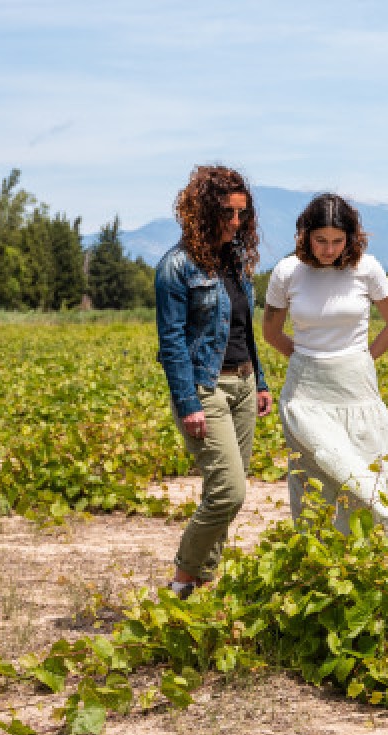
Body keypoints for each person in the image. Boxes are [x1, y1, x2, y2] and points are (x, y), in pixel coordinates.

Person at [155, 165, 274, 599]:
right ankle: (183, 582)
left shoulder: (236, 262)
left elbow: (242, 328)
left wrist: (259, 381)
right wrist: (187, 403)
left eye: (242, 214)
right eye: (227, 213)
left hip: (242, 387)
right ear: (202, 212)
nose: (236, 223)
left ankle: (202, 584)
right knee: (228, 492)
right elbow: (171, 342)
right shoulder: (176, 266)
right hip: (206, 388)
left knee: (228, 493)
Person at [262, 193, 388, 537]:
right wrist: (306, 361)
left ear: (351, 238)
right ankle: (316, 554)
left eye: (337, 241)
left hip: (356, 389)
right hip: (305, 394)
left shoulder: (367, 269)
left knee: (368, 471)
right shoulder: (287, 272)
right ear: (305, 236)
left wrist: (361, 360)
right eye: (320, 241)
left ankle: (379, 547)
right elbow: (271, 333)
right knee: (315, 476)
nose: (328, 250)